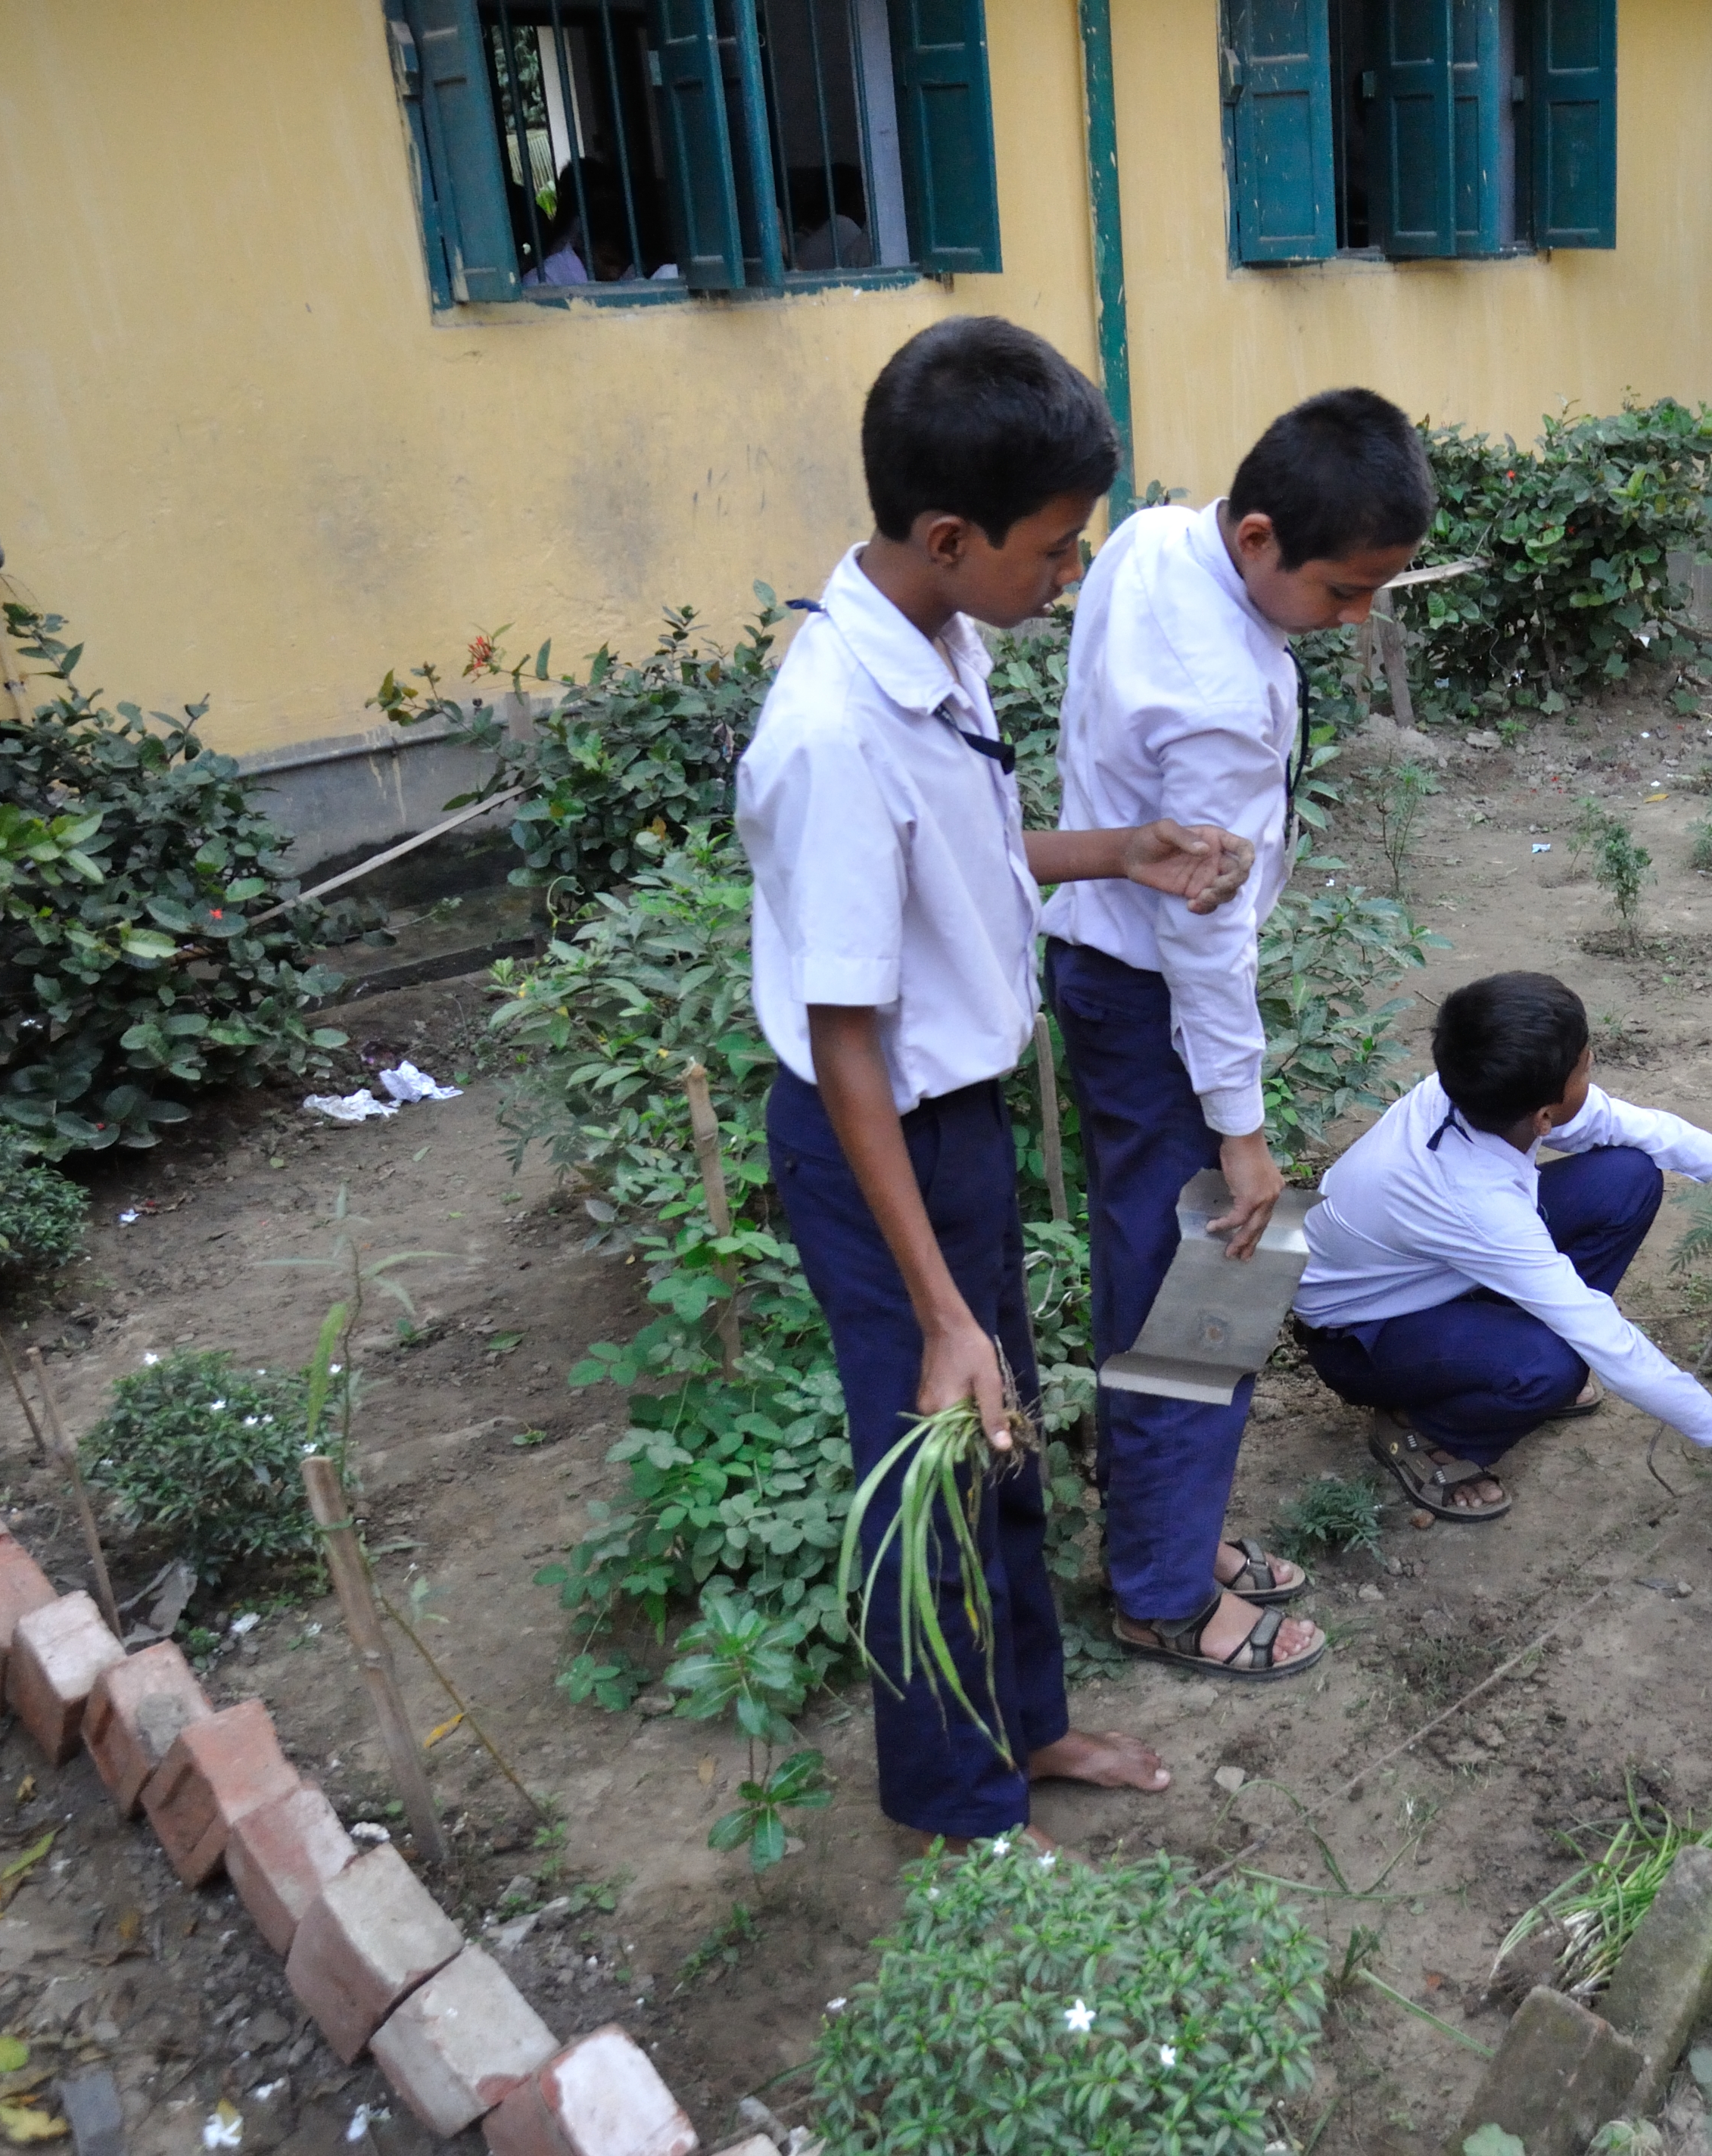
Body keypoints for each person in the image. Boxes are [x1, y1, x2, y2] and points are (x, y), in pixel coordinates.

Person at [738, 316, 1256, 1850]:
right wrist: (944, 1309)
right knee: (929, 1473)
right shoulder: (833, 731)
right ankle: (959, 1812)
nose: (1067, 577)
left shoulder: (938, 642)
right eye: (1051, 549)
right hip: (874, 1144)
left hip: (946, 1128)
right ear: (950, 536)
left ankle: (1025, 1726)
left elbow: (962, 866)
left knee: (1002, 1443)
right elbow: (844, 1047)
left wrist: (1121, 851)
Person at [1041, 390, 1432, 1681]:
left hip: (1100, 968)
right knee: (1208, 1290)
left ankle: (1174, 1527)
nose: (1356, 617)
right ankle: (1160, 1592)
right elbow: (1206, 951)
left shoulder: (1158, 537)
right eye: (1343, 589)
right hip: (1152, 995)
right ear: (1257, 537)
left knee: (1150, 1279)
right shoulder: (1211, 700)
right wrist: (1246, 1136)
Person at [1290, 972, 1712, 1524]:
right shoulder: (1472, 1202)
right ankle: (1429, 1432)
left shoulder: (1469, 1088)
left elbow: (1614, 1121)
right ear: (1543, 1115)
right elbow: (1609, 1344)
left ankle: (1496, 1350)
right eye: (1586, 1068)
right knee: (1555, 1362)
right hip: (1359, 1339)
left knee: (1627, 1177)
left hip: (1427, 1276)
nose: (1593, 1074)